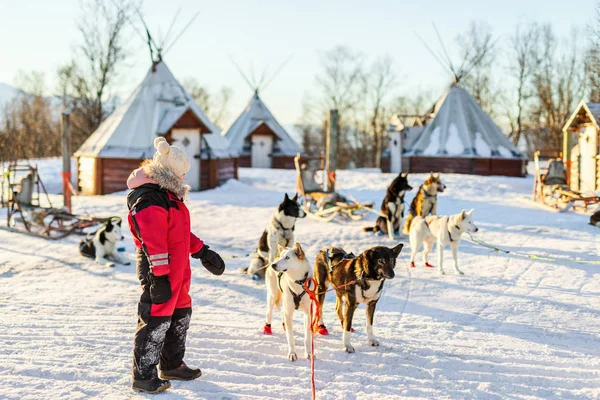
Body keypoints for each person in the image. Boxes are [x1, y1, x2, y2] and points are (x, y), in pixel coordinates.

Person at [126, 137, 225, 394]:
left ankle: (171, 364)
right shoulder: (149, 199)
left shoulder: (170, 197)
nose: (183, 179)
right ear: (168, 172)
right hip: (158, 268)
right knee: (157, 318)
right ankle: (143, 375)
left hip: (178, 269)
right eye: (181, 174)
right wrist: (159, 277)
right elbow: (154, 242)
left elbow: (178, 233)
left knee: (180, 314)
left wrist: (202, 251)